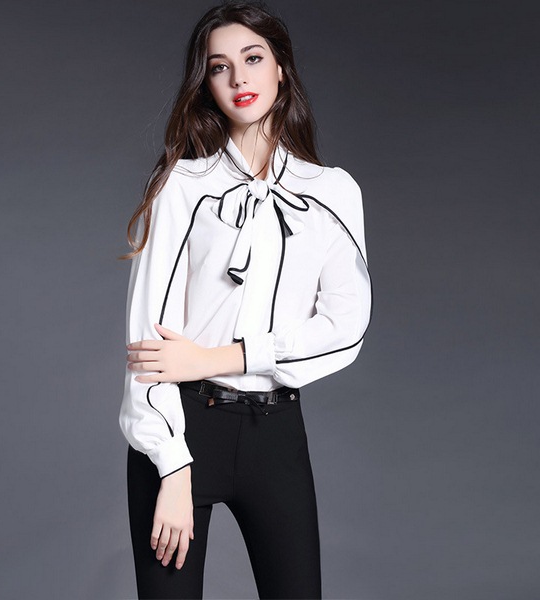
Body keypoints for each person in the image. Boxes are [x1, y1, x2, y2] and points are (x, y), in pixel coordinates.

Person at [119, 2, 372, 598]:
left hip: (276, 434)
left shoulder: (332, 192)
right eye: (219, 66)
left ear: (281, 68)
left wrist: (218, 357)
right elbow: (149, 349)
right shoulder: (182, 188)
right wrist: (172, 469)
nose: (238, 79)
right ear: (205, 83)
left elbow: (345, 328)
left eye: (253, 59)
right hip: (182, 428)